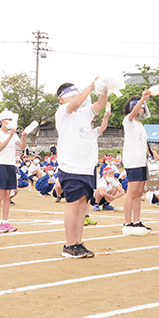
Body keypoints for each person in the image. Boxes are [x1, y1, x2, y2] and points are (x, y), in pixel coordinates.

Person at [54, 80, 107, 257]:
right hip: (71, 166)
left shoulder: (83, 114)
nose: (77, 96)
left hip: (86, 167)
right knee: (73, 204)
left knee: (83, 204)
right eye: (72, 93)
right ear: (62, 99)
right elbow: (76, 103)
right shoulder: (63, 112)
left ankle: (78, 243)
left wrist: (104, 88)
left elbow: (100, 104)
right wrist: (91, 85)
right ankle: (69, 245)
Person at [121, 90, 159, 235]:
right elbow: (132, 114)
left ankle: (136, 221)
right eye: (140, 106)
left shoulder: (140, 125)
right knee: (131, 193)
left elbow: (143, 143)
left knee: (139, 194)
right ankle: (127, 222)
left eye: (144, 107)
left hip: (142, 161)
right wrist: (142, 98)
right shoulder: (128, 121)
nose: (142, 109)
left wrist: (152, 152)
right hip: (133, 162)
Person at [0, 110, 27, 233]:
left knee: (7, 196)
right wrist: (10, 136)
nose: (10, 122)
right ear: (2, 121)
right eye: (8, 120)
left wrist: (23, 137)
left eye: (12, 120)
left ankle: (5, 222)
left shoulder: (14, 134)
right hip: (0, 166)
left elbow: (22, 147)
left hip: (11, 166)